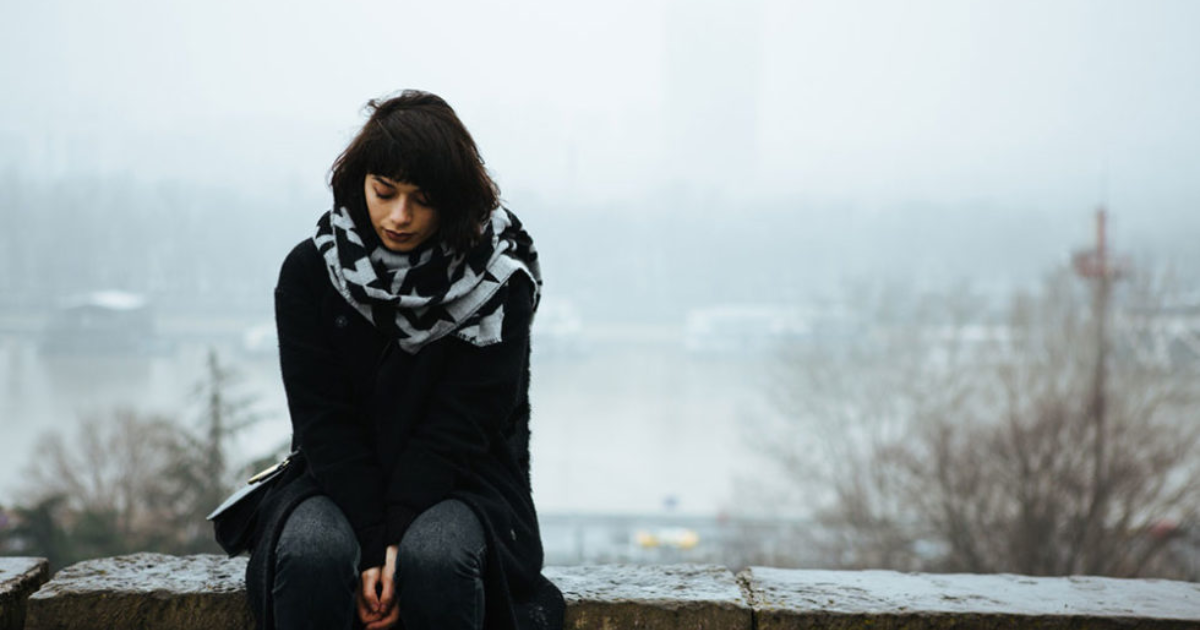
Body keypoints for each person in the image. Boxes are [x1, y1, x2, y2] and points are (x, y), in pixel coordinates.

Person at [242, 90, 565, 630]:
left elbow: (463, 425)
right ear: (358, 181)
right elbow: (323, 421)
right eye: (384, 192)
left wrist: (395, 542)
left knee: (435, 559)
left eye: (422, 199)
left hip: (467, 480)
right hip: (334, 474)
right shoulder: (310, 273)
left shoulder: (498, 284)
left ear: (455, 200)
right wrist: (373, 544)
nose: (399, 217)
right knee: (313, 554)